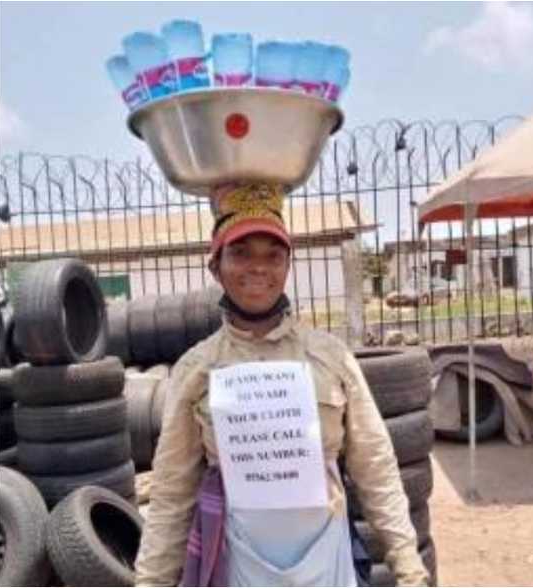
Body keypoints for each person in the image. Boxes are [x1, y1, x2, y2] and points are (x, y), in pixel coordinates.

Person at [133, 183, 428, 586]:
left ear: (288, 266)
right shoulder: (196, 371)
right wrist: (150, 582)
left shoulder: (330, 357)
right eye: (240, 253)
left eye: (273, 255)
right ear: (215, 265)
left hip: (326, 560)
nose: (258, 268)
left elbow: (375, 465)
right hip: (238, 562)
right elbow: (171, 494)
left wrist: (408, 565)